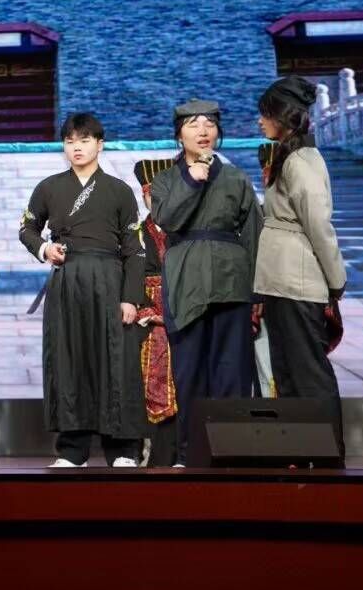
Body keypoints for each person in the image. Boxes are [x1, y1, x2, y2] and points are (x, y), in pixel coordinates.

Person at [20, 113, 145, 468]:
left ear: (100, 145)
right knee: (68, 360)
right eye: (70, 141)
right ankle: (72, 451)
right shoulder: (49, 187)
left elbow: (135, 250)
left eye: (85, 140)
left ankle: (123, 449)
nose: (77, 147)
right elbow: (27, 229)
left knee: (115, 361)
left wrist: (130, 298)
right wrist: (45, 249)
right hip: (67, 280)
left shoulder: (119, 191)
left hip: (109, 280)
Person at [149, 99, 261, 465]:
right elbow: (166, 220)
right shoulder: (166, 179)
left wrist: (257, 291)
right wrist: (191, 181)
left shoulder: (236, 177)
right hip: (186, 281)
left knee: (232, 371)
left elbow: (254, 232)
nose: (203, 131)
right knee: (189, 371)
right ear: (179, 134)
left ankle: (233, 451)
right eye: (193, 124)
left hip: (231, 281)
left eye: (210, 124)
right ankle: (191, 451)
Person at [254, 76, 348, 451]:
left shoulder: (302, 161)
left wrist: (336, 279)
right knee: (287, 373)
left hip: (297, 279)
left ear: (282, 115)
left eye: (265, 114)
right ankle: (298, 452)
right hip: (279, 279)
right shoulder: (288, 156)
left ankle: (328, 454)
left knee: (308, 373)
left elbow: (318, 225)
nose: (260, 121)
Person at [131, 158, 179, 467]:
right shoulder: (136, 235)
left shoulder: (188, 232)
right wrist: (148, 311)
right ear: (144, 196)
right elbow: (128, 281)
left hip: (185, 322)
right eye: (152, 194)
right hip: (148, 326)